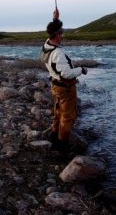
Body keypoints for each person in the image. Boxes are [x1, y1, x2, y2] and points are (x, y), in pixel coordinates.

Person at [41, 8, 88, 152]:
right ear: (57, 35)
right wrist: (81, 70)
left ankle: (55, 138)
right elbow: (66, 74)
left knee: (58, 113)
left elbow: (52, 32)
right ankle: (62, 148)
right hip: (65, 88)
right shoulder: (58, 54)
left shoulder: (46, 45)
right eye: (61, 33)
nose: (63, 35)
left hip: (55, 86)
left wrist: (55, 19)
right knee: (67, 117)